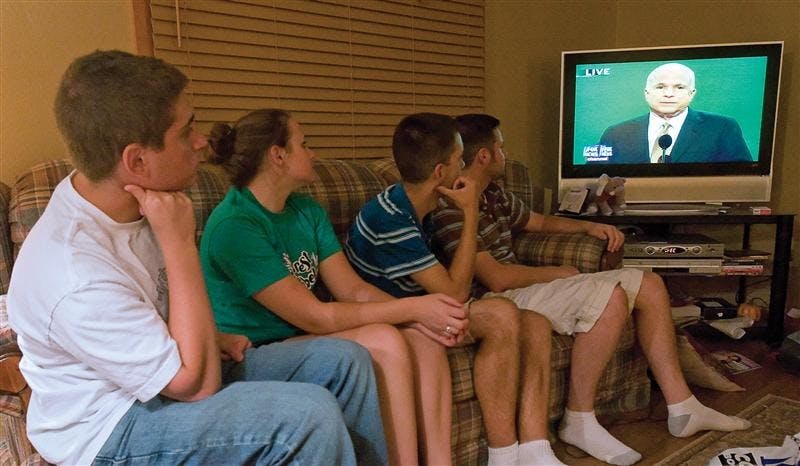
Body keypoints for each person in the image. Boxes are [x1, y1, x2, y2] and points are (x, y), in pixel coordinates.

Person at [7, 50, 387, 465]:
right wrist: (178, 244)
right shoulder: (74, 270)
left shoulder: (129, 197)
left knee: (344, 360)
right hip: (108, 428)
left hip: (157, 378)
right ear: (137, 161)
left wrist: (211, 339)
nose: (202, 140)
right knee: (306, 418)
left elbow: (153, 320)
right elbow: (196, 385)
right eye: (186, 131)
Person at [432, 113, 752, 466]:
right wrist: (558, 273)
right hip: (496, 301)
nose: (505, 155)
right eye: (501, 148)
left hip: (521, 290)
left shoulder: (495, 194)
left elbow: (538, 221)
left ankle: (682, 406)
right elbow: (496, 279)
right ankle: (579, 419)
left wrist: (588, 228)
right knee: (611, 297)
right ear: (485, 156)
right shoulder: (451, 208)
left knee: (649, 284)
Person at [200, 109, 469, 466]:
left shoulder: (306, 210)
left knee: (422, 338)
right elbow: (315, 317)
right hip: (249, 351)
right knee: (386, 340)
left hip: (296, 338)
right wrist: (414, 308)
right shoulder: (236, 225)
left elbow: (353, 290)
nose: (313, 154)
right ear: (277, 156)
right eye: (304, 144)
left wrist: (419, 320)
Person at [346, 113, 563, 466]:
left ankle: (535, 450)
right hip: (396, 319)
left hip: (423, 306)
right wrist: (471, 210)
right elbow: (455, 293)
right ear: (440, 172)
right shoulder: (390, 218)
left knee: (536, 323)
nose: (464, 165)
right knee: (502, 314)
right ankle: (503, 456)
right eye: (458, 159)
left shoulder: (417, 205)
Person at [598, 62, 752, 163]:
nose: (669, 94)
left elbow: (743, 178)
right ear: (646, 93)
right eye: (660, 87)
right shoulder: (616, 134)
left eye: (679, 87)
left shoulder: (722, 128)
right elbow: (592, 182)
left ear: (691, 93)